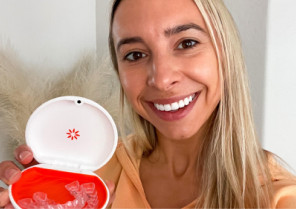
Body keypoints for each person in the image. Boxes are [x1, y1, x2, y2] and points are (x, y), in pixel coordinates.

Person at [1, 0, 296, 208]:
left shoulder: (278, 198)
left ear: (225, 52)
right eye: (135, 55)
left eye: (186, 43)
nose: (162, 78)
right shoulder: (95, 173)